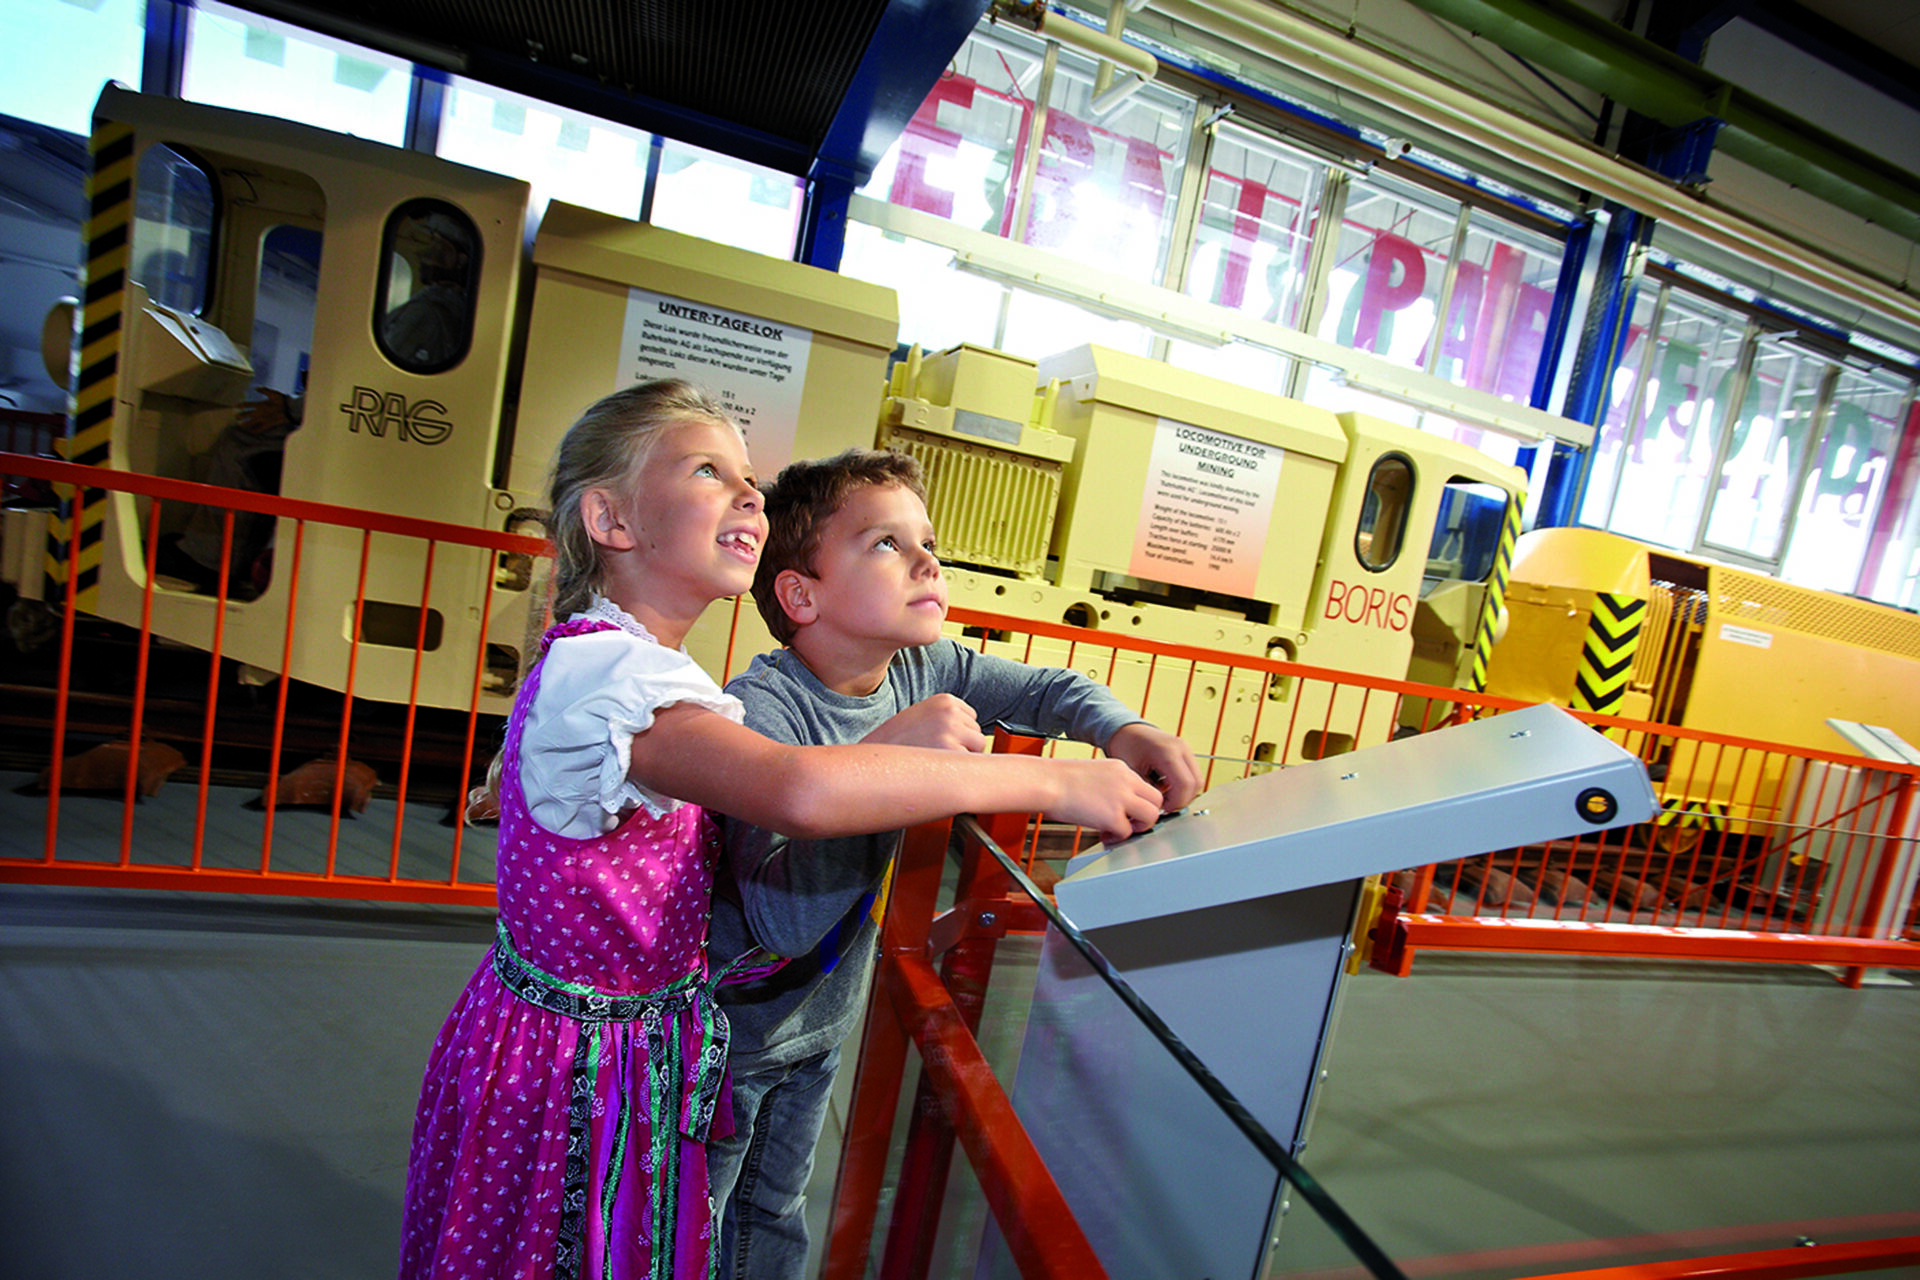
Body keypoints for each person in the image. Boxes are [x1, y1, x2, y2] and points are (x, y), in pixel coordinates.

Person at [398, 382, 1164, 1280]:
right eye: (709, 471)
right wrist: (1049, 778)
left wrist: (1105, 728)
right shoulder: (613, 679)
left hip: (639, 1042)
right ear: (610, 518)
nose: (749, 495)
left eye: (750, 478)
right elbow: (796, 792)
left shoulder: (648, 669)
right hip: (580, 1063)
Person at [707, 448, 1203, 1280]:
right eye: (885, 544)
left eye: (926, 539)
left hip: (821, 1022)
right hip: (728, 1032)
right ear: (802, 594)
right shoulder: (763, 708)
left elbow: (1050, 688)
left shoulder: (920, 668)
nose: (928, 560)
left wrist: (1120, 728)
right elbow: (785, 920)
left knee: (776, 1214)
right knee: (695, 1217)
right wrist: (891, 760)